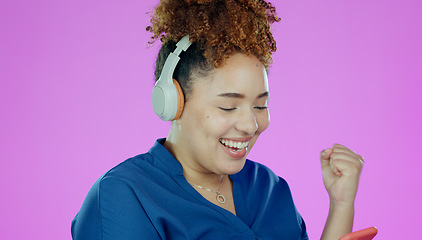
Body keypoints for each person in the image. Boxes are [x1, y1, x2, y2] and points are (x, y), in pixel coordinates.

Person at [71, 0, 364, 239]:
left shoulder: (269, 188)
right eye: (228, 107)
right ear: (173, 102)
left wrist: (341, 204)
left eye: (260, 105)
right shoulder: (124, 196)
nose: (250, 125)